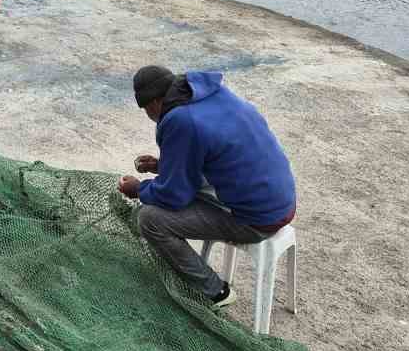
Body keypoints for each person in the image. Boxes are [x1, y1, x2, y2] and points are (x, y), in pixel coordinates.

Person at [118, 65, 296, 307]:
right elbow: (216, 154)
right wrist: (164, 165)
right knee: (176, 191)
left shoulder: (179, 120)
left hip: (257, 220)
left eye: (147, 110)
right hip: (280, 200)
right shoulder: (213, 95)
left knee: (149, 218)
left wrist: (139, 189)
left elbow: (173, 196)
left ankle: (216, 292)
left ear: (154, 103)